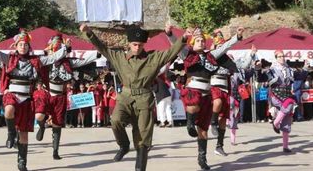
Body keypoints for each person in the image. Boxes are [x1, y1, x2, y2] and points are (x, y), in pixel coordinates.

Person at [81, 23, 188, 171]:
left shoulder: (153, 58)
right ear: (129, 44)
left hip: (144, 97)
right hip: (125, 96)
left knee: (142, 137)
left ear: (144, 44)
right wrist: (89, 33)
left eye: (140, 45)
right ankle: (124, 145)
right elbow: (103, 48)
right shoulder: (119, 57)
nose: (137, 47)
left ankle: (139, 168)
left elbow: (171, 52)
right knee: (115, 120)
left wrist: (184, 38)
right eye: (134, 44)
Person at [0, 24, 67, 171]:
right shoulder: (9, 59)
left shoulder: (36, 61)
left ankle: (22, 162)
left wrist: (65, 48)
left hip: (27, 99)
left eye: (25, 45)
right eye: (20, 44)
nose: (23, 47)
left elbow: (53, 58)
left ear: (29, 46)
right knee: (8, 110)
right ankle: (10, 133)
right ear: (16, 45)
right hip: (12, 95)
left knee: (24, 135)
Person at [169, 27, 245, 170]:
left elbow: (225, 47)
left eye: (203, 41)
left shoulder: (211, 55)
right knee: (193, 103)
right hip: (193, 89)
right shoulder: (187, 54)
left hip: (207, 93)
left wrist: (237, 37)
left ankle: (202, 158)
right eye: (198, 40)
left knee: (203, 130)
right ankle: (189, 123)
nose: (201, 42)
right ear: (192, 42)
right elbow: (176, 44)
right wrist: (170, 34)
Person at [34, 35, 98, 160]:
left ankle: (55, 150)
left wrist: (96, 54)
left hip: (60, 96)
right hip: (47, 93)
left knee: (57, 124)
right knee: (39, 115)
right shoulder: (46, 60)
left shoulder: (68, 63)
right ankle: (41, 126)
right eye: (55, 48)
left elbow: (82, 61)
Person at [257, 50, 310, 155]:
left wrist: (305, 67)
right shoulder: (271, 70)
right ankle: (276, 123)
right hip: (276, 94)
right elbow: (260, 79)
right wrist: (258, 68)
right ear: (276, 58)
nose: (282, 58)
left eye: (283, 56)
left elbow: (300, 77)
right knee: (290, 104)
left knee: (287, 119)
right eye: (280, 56)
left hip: (286, 93)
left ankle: (285, 147)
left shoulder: (289, 69)